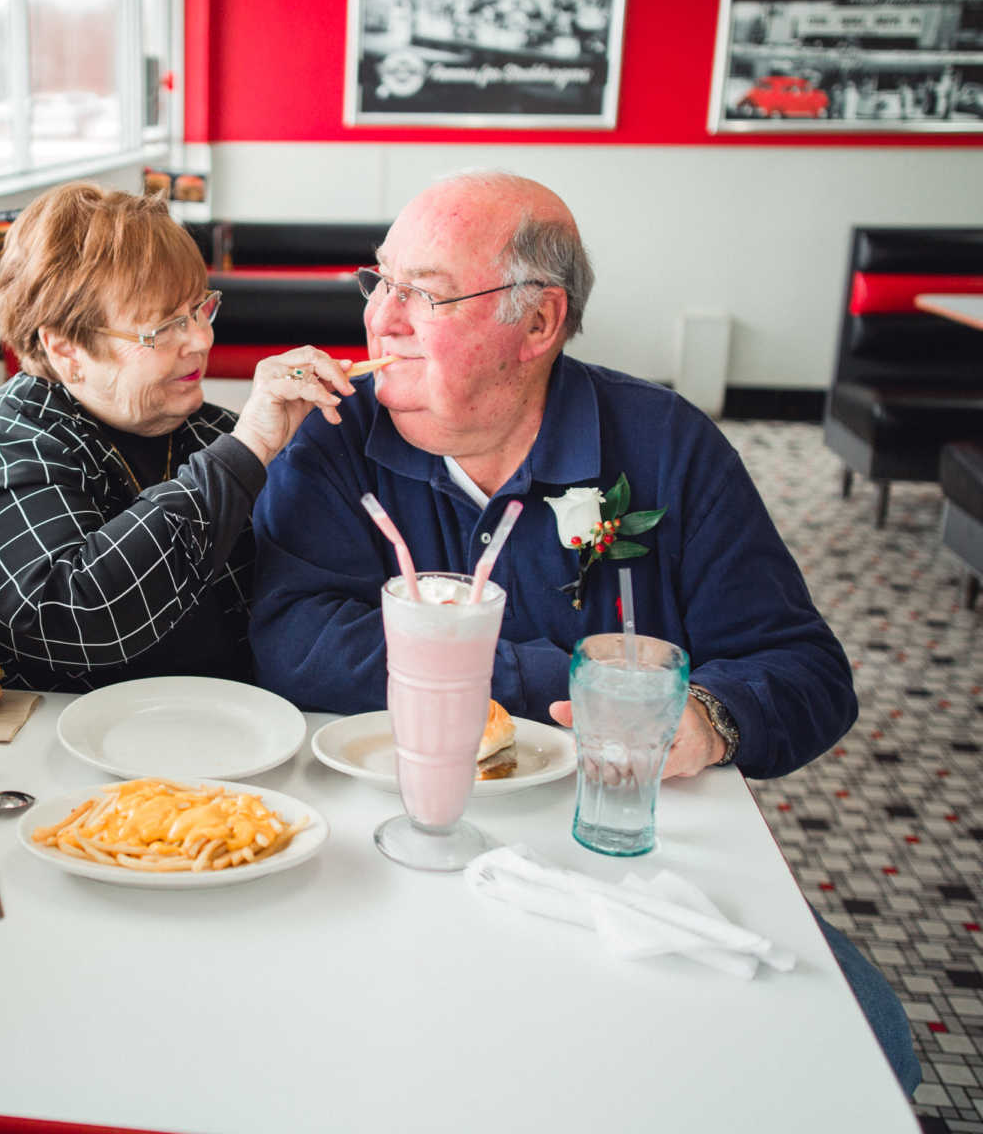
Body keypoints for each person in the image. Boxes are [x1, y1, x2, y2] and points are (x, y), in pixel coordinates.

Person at [247, 169, 921, 1095]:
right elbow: (290, 638)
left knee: (874, 1045)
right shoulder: (332, 439)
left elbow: (805, 668)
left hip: (618, 864)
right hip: (383, 842)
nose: (382, 320)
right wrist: (557, 686)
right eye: (381, 282)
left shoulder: (666, 448)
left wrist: (714, 718)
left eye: (425, 293)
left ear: (538, 324)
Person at [0, 181, 351, 692]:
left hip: (154, 745)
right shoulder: (3, 439)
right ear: (66, 350)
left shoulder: (208, 432)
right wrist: (247, 450)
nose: (199, 339)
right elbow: (72, 615)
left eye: (199, 309)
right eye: (162, 327)